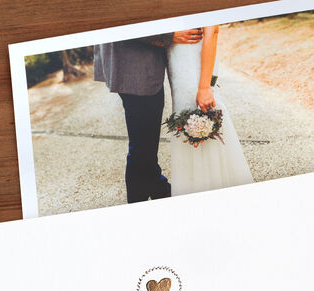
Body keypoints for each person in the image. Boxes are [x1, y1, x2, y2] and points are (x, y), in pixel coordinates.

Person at [94, 28, 202, 202]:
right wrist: (169, 35)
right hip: (134, 66)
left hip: (134, 64)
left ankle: (159, 188)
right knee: (141, 150)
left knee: (146, 145)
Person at [165, 25, 253, 196]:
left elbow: (212, 31)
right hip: (179, 65)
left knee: (203, 116)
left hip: (194, 65)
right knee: (185, 122)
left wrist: (205, 86)